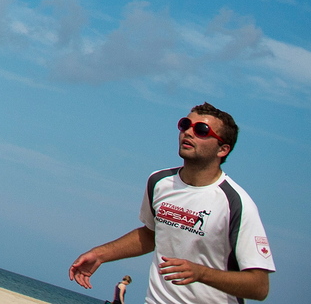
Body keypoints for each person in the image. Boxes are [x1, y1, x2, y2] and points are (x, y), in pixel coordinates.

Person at [69, 104, 275, 304]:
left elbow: (259, 286)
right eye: (185, 125)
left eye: (201, 130)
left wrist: (201, 273)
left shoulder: (236, 203)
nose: (188, 132)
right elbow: (152, 234)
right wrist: (100, 254)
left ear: (223, 149)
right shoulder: (159, 182)